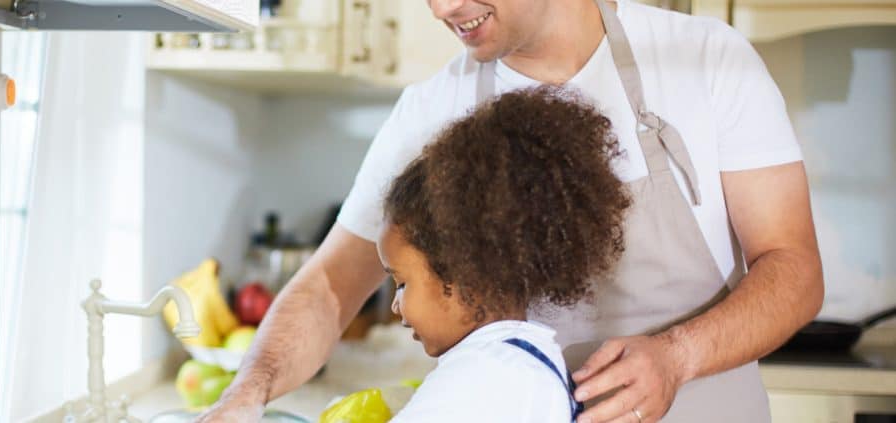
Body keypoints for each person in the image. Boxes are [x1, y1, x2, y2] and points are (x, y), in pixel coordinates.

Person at [197, 0, 823, 421]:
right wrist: (243, 395)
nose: (443, 8)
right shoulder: (431, 112)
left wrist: (678, 356)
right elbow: (332, 285)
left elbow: (793, 268)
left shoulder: (704, 58)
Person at [379, 87, 630, 422]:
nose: (396, 306)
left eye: (401, 283)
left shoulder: (483, 379)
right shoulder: (521, 364)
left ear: (464, 274)